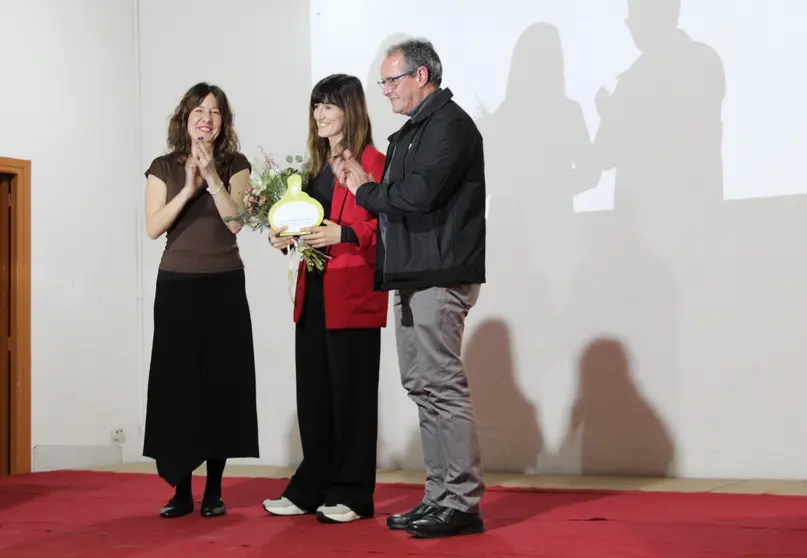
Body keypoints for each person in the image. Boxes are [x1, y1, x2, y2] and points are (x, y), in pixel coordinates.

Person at [334, 39, 486, 538]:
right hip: (409, 274)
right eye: (382, 82)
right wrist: (365, 185)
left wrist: (363, 189)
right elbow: (394, 201)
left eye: (391, 80)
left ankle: (461, 502)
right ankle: (439, 495)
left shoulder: (450, 125)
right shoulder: (409, 135)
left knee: (442, 386)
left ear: (422, 76)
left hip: (439, 274)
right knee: (422, 387)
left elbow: (415, 197)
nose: (385, 91)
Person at [262, 73, 387, 524]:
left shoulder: (376, 162)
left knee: (351, 399)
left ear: (350, 110)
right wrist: (284, 237)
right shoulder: (310, 170)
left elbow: (388, 231)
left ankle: (352, 494)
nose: (319, 114)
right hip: (311, 296)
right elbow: (303, 229)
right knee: (313, 397)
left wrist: (345, 232)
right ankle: (311, 486)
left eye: (329, 106)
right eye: (316, 106)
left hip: (352, 295)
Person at [142, 82, 259, 519]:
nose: (206, 118)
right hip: (176, 285)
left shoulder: (236, 164)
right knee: (179, 387)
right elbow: (154, 227)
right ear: (185, 118)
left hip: (224, 284)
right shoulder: (163, 166)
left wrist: (212, 179)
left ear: (222, 122)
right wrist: (188, 188)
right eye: (198, 111)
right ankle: (180, 490)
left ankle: (214, 490)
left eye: (214, 112)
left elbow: (235, 223)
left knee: (220, 385)